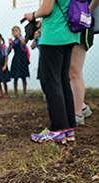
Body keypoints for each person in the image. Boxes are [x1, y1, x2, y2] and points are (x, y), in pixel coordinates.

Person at [25, 0, 79, 143]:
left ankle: (57, 129)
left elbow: (47, 9)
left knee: (51, 82)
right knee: (63, 81)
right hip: (69, 34)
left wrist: (32, 15)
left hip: (54, 36)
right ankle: (68, 128)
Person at [69, 0, 99, 125]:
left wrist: (87, 11)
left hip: (81, 26)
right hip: (68, 26)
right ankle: (82, 107)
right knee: (67, 71)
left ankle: (77, 114)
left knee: (74, 71)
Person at [8, 26, 30, 98]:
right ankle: (15, 93)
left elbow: (24, 44)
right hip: (16, 59)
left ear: (20, 32)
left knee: (23, 77)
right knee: (15, 77)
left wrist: (19, 37)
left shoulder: (22, 39)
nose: (15, 32)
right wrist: (9, 44)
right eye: (13, 31)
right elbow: (8, 51)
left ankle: (24, 92)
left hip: (22, 59)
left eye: (16, 31)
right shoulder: (13, 42)